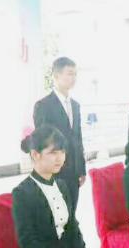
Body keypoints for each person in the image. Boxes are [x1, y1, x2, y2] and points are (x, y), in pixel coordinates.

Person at [33, 57, 86, 210]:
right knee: (57, 213)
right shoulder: (43, 105)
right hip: (54, 170)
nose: (73, 78)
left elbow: (78, 138)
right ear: (56, 76)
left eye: (75, 74)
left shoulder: (75, 105)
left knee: (72, 212)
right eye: (69, 73)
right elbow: (41, 142)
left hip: (73, 171)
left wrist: (81, 168)